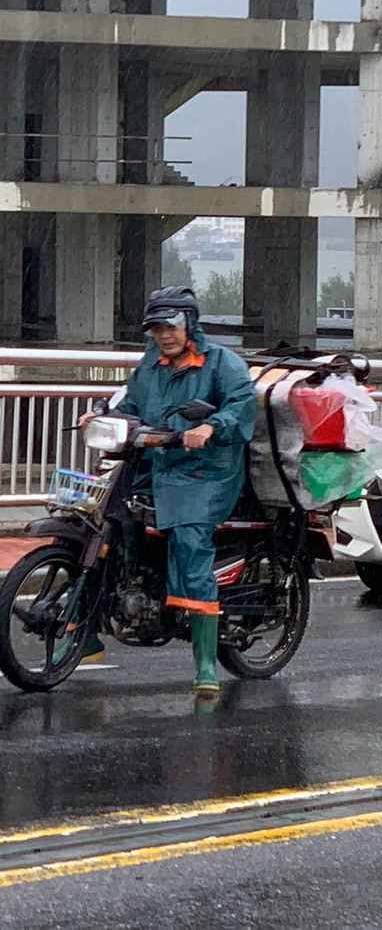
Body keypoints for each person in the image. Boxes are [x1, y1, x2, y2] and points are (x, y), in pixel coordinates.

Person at [83, 287, 256, 690]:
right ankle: (84, 634)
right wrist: (103, 415)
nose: (164, 335)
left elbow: (241, 406)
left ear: (190, 324)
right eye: (156, 328)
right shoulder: (150, 365)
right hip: (154, 464)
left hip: (205, 472)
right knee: (107, 527)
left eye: (171, 326)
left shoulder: (222, 364)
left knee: (189, 542)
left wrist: (211, 427)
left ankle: (205, 665)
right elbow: (130, 405)